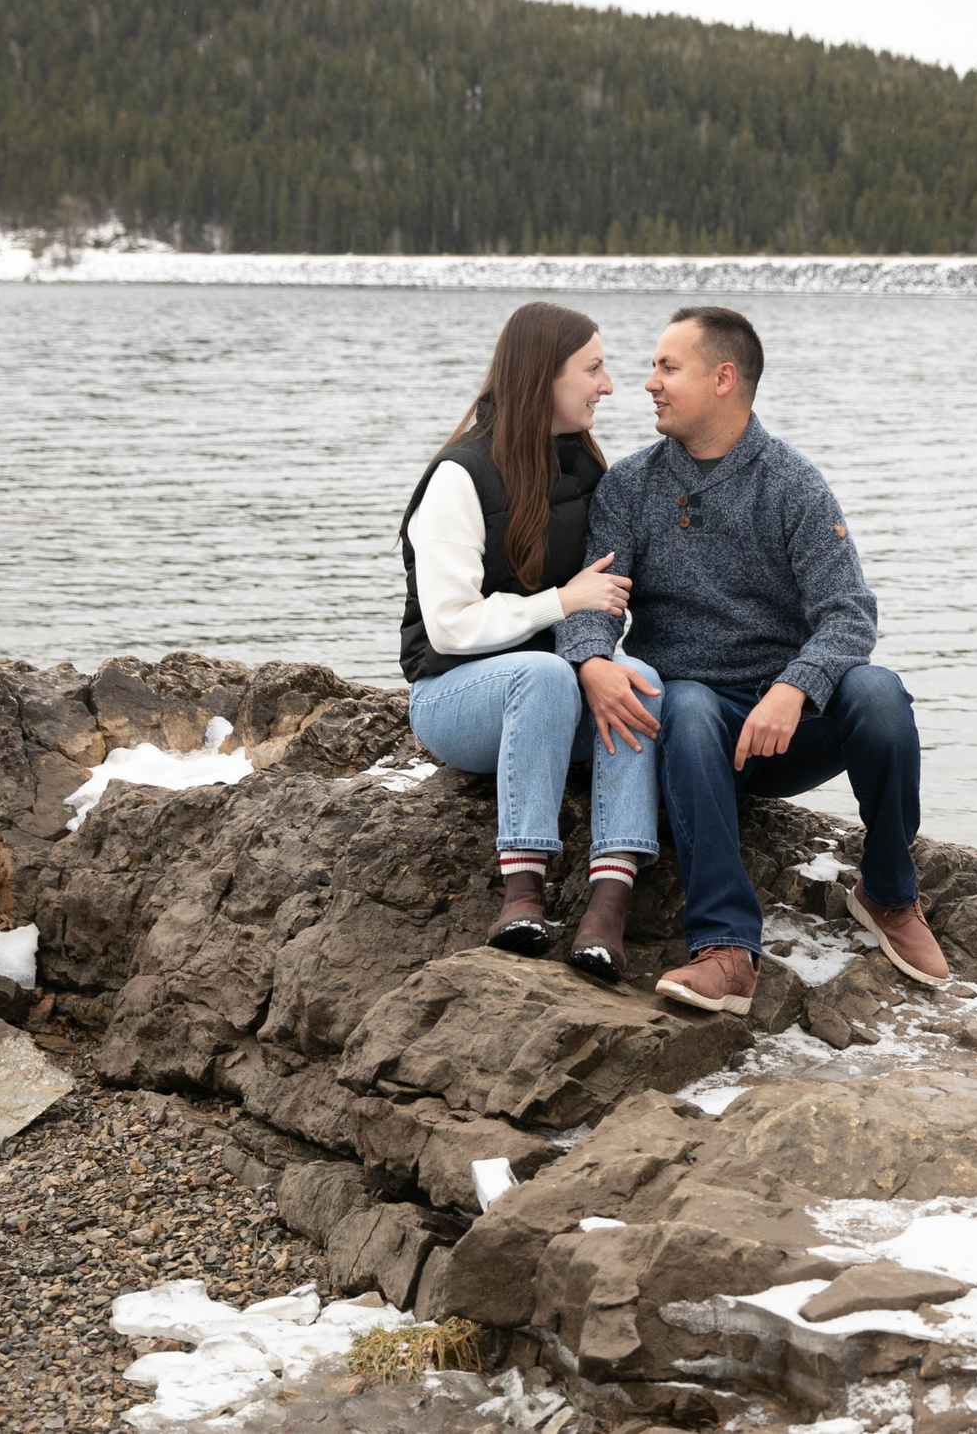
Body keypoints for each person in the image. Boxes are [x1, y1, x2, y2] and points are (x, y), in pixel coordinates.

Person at [556, 305, 948, 1015]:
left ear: (724, 379)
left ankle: (889, 894)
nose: (648, 383)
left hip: (786, 725)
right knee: (690, 700)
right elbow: (593, 602)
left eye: (667, 367)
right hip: (691, 733)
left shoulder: (792, 483)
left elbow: (849, 611)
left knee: (881, 695)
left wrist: (795, 688)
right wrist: (590, 662)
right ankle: (728, 947)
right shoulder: (631, 487)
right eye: (651, 367)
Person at [398, 301, 663, 984]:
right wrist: (559, 602)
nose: (609, 385)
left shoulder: (585, 471)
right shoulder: (460, 476)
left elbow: (603, 603)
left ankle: (608, 907)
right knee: (543, 676)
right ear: (545, 374)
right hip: (455, 700)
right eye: (594, 368)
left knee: (638, 680)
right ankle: (523, 896)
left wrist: (599, 658)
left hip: (551, 701)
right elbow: (449, 625)